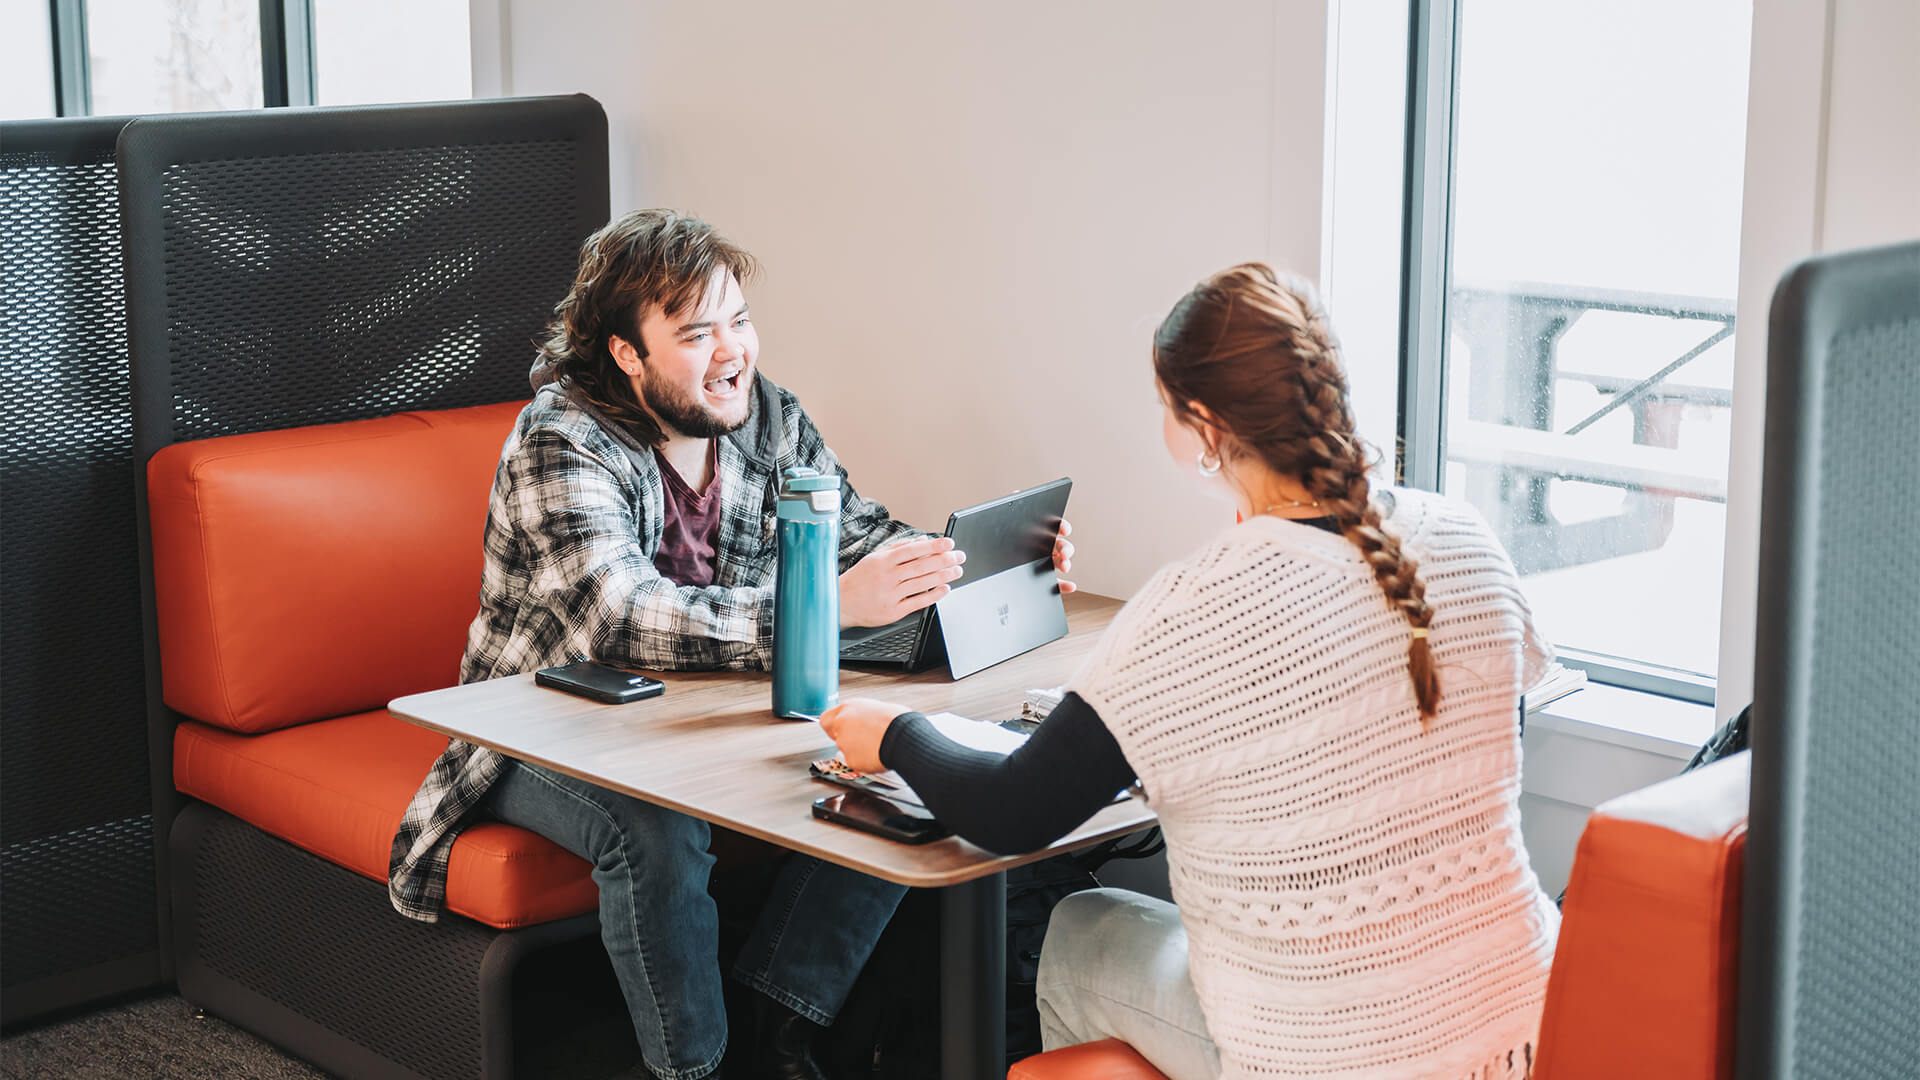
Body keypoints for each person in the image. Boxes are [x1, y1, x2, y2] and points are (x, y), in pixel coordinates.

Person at [823, 264, 1559, 1080]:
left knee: (1082, 927)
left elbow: (1014, 811)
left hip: (1340, 1054)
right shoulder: (1463, 536)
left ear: (1203, 424)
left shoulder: (1202, 603)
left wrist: (896, 734)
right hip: (1527, 1016)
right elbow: (1482, 741)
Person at [387, 209, 1073, 1080]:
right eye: (696, 333)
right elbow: (619, 617)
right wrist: (821, 606)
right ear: (626, 353)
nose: (731, 352)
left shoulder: (770, 420)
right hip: (537, 732)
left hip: (704, 721)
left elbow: (860, 535)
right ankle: (696, 1071)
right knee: (653, 828)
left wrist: (986, 567)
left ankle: (779, 1023)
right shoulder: (561, 438)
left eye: (738, 321)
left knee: (903, 761)